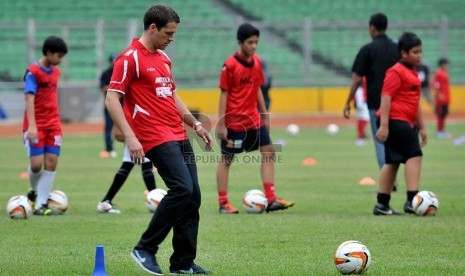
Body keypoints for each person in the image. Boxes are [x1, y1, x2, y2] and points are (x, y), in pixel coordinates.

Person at [105, 5, 212, 275]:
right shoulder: (129, 59)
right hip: (154, 136)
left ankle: (182, 263)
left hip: (178, 132)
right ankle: (145, 248)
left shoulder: (163, 58)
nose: (172, 38)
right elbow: (111, 98)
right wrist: (130, 137)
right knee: (182, 189)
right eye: (168, 32)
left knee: (193, 195)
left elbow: (171, 95)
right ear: (152, 28)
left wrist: (196, 124)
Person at [216, 22, 294, 214]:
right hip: (235, 123)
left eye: (256, 42)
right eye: (250, 42)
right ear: (240, 42)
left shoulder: (257, 62)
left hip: (254, 120)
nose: (254, 46)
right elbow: (224, 95)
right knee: (227, 159)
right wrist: (221, 124)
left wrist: (264, 114)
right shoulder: (230, 66)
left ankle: (271, 198)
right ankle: (223, 203)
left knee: (269, 152)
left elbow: (257, 87)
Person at [343, 13, 400, 190]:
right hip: (398, 102)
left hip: (376, 103)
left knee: (381, 143)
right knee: (396, 142)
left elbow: (356, 79)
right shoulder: (397, 48)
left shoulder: (367, 50)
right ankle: (397, 180)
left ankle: (388, 183)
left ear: (372, 28)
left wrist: (347, 102)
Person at [373, 32, 427, 215]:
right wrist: (384, 125)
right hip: (395, 120)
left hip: (402, 121)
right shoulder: (396, 71)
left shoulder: (412, 72)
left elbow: (415, 102)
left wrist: (423, 127)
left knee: (392, 161)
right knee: (414, 156)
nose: (419, 56)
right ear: (404, 53)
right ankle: (413, 200)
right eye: (415, 52)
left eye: (420, 52)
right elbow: (386, 97)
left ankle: (382, 204)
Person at [23, 36, 68, 216]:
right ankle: (34, 191)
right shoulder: (33, 72)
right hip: (36, 124)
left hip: (53, 124)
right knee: (36, 165)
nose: (60, 60)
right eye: (58, 56)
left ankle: (41, 204)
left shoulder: (55, 72)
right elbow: (29, 98)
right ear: (48, 53)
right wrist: (32, 126)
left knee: (51, 162)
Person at [97, 140, 157, 214]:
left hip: (137, 134)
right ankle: (156, 201)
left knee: (134, 165)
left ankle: (156, 201)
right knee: (142, 166)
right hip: (139, 134)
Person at [99, 53, 118, 158]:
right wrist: (114, 86)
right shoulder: (105, 74)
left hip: (123, 105)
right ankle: (109, 150)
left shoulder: (121, 72)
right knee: (108, 128)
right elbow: (102, 88)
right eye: (112, 61)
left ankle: (130, 151)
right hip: (109, 105)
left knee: (129, 127)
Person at [432, 58, 450, 139]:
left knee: (444, 114)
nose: (447, 66)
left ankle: (442, 130)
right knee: (440, 115)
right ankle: (439, 132)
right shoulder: (438, 73)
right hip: (441, 100)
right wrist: (439, 94)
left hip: (446, 98)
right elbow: (435, 84)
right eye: (446, 64)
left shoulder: (443, 73)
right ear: (442, 64)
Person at [354, 77, 370, 146]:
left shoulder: (360, 88)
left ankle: (361, 134)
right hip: (363, 104)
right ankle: (360, 137)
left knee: (361, 119)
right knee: (365, 119)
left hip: (362, 103)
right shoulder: (360, 88)